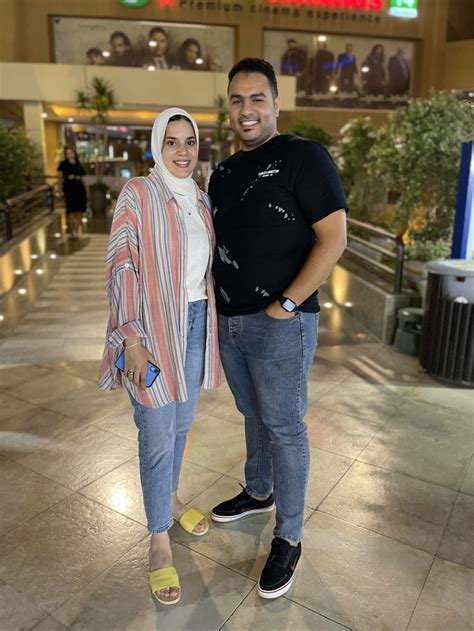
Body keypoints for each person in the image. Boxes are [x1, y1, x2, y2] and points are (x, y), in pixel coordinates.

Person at [208, 58, 347, 599]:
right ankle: (259, 490)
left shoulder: (302, 157)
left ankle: (289, 536)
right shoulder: (221, 172)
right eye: (238, 100)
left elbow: (333, 239)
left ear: (275, 103)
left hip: (281, 323)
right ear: (229, 107)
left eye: (257, 99)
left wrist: (286, 305)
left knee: (285, 426)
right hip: (231, 321)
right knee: (252, 413)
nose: (247, 110)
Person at [98, 108, 221, 605]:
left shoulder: (202, 199)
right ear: (156, 145)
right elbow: (121, 263)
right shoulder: (140, 194)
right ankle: (157, 539)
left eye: (189, 141)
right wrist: (131, 337)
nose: (182, 150)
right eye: (172, 141)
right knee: (155, 430)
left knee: (181, 423)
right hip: (151, 329)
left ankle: (169, 499)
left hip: (194, 322)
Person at [57, 147, 88, 239]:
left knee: (79, 210)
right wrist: (59, 189)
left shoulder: (78, 164)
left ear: (74, 153)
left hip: (79, 188)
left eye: (71, 152)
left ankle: (77, 229)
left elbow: (83, 178)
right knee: (70, 210)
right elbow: (60, 178)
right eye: (68, 153)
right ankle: (72, 231)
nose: (70, 154)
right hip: (69, 188)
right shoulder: (63, 164)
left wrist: (86, 190)